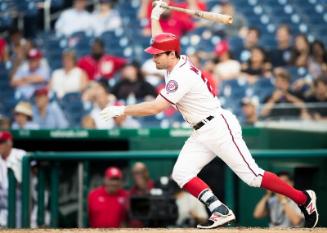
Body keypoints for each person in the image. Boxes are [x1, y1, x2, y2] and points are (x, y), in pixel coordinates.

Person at [100, 0, 318, 228]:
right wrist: (155, 18)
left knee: (253, 178)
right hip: (201, 131)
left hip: (218, 127)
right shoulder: (174, 62)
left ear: (171, 54)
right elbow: (162, 41)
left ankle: (304, 199)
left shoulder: (180, 75)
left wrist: (122, 109)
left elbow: (156, 107)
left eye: (157, 55)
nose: (154, 58)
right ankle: (219, 209)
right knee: (182, 173)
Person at [0, 131, 26, 227]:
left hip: (18, 200)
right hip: (2, 203)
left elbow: (34, 171)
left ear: (9, 143)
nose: (0, 146)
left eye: (1, 142)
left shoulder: (20, 154)